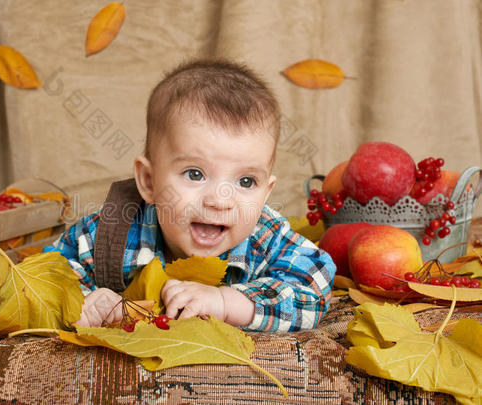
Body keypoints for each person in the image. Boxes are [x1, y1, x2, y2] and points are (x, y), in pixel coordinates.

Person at [44, 59, 336, 332]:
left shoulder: (263, 235)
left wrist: (229, 302)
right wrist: (83, 301)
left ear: (265, 193)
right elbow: (46, 274)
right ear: (149, 181)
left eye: (246, 181)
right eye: (194, 174)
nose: (220, 201)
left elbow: (314, 284)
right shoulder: (112, 231)